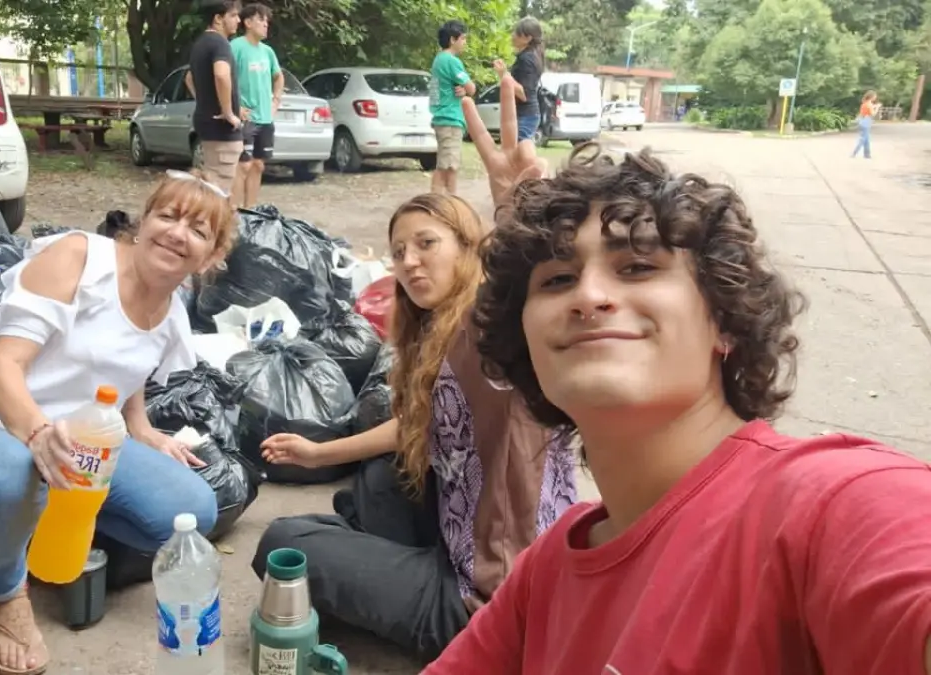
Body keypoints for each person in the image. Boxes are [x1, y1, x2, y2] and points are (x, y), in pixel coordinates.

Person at [425, 82, 931, 675]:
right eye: (556, 280)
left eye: (638, 266)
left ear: (724, 320)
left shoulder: (832, 503)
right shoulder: (548, 571)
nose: (589, 296)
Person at [0, 170, 234, 675]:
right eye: (168, 215)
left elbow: (128, 369)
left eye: (198, 230)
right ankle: (1, 594)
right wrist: (36, 435)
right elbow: (2, 370)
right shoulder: (80, 259)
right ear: (142, 223)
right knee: (12, 473)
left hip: (73, 442)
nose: (177, 233)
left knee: (189, 508)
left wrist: (140, 428)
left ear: (210, 257)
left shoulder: (171, 308)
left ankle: (32, 522)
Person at [251, 154, 575, 658]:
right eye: (399, 251)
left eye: (427, 243)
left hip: (483, 603)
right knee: (382, 475)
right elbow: (418, 428)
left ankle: (372, 562)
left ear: (470, 248)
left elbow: (524, 296)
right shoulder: (439, 331)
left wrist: (518, 215)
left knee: (283, 542)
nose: (408, 261)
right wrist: (320, 453)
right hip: (467, 538)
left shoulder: (487, 333)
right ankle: (373, 552)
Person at [187, 0, 244, 198]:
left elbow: (188, 78)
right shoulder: (220, 43)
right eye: (233, 15)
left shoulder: (200, 43)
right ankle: (212, 227)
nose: (238, 20)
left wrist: (205, 101)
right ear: (218, 19)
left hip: (206, 124)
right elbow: (221, 74)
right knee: (219, 190)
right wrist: (228, 112)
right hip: (222, 130)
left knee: (211, 181)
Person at [230, 2, 284, 209]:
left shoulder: (267, 51)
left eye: (267, 21)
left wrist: (276, 100)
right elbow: (222, 78)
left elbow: (278, 77)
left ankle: (250, 211)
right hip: (246, 119)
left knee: (258, 165)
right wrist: (235, 107)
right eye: (261, 20)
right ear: (248, 22)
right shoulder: (236, 47)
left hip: (265, 118)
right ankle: (233, 214)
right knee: (243, 165)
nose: (266, 24)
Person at [429, 20, 475, 196]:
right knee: (448, 167)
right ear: (452, 40)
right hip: (450, 120)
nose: (465, 43)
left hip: (441, 118)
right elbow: (471, 88)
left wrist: (460, 89)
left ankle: (441, 205)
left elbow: (436, 93)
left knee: (446, 164)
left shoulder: (438, 60)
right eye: (463, 38)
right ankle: (447, 206)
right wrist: (466, 89)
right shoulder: (452, 61)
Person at [494, 17, 545, 143]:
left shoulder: (527, 59)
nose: (513, 35)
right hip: (525, 114)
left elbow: (523, 94)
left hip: (525, 116)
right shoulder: (531, 56)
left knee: (516, 157)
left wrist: (504, 74)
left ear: (528, 38)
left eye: (517, 33)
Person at [853, 90, 881, 159]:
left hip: (862, 120)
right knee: (863, 139)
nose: (875, 97)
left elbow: (867, 109)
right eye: (875, 96)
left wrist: (875, 106)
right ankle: (854, 153)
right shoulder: (869, 104)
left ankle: (867, 154)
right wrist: (877, 108)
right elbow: (873, 114)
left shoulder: (864, 103)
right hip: (867, 121)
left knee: (866, 138)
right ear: (872, 97)